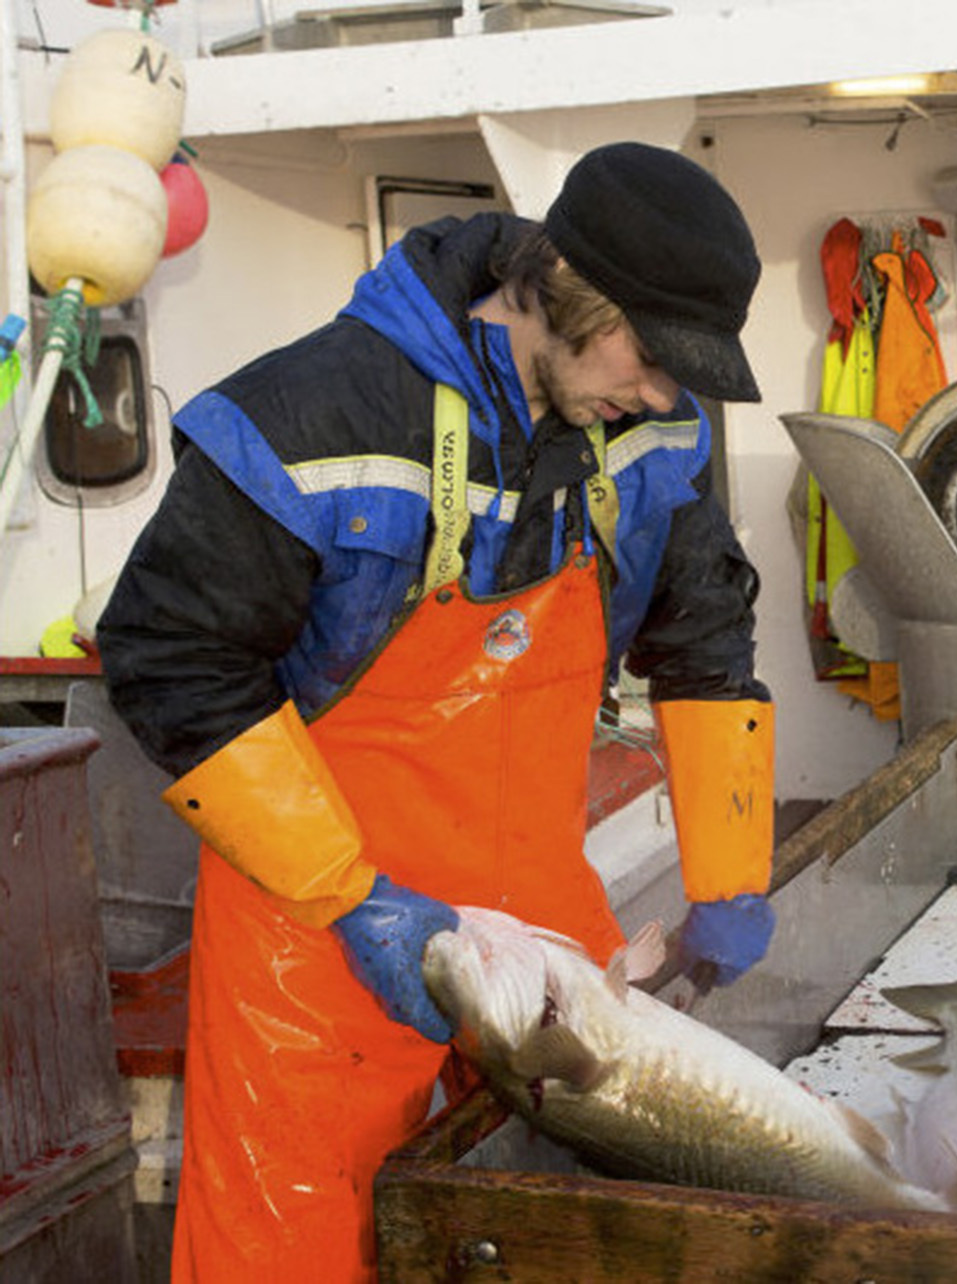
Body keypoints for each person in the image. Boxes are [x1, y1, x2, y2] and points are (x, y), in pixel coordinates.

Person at [97, 142, 777, 1281]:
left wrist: (733, 874)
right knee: (298, 1252)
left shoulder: (658, 430)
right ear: (567, 288)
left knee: (568, 1239)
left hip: (541, 934)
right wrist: (354, 902)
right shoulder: (306, 414)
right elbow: (167, 657)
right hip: (320, 928)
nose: (665, 392)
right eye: (652, 356)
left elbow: (703, 636)